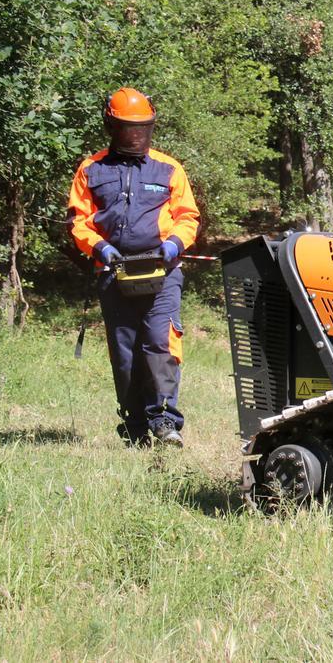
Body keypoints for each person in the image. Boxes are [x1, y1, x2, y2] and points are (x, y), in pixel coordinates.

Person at [66, 87, 200, 447]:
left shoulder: (169, 168)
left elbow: (188, 217)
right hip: (114, 274)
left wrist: (172, 246)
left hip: (163, 274)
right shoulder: (91, 170)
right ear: (112, 127)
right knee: (124, 353)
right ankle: (136, 426)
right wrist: (101, 247)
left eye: (143, 128)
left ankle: (165, 421)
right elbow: (78, 222)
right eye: (129, 128)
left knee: (160, 343)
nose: (137, 135)